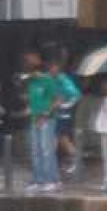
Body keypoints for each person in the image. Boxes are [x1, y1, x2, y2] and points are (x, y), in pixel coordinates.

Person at [24, 52, 68, 193]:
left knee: (47, 150)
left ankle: (53, 180)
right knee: (36, 151)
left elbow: (59, 99)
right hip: (34, 119)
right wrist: (29, 110)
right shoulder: (31, 83)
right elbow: (33, 101)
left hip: (47, 119)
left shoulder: (48, 80)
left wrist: (46, 113)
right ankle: (38, 179)